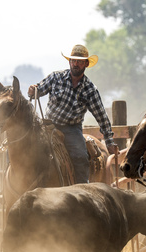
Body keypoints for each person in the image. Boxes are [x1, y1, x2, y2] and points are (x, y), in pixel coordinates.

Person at [28, 44, 119, 184]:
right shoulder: (55, 77)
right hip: (48, 125)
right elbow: (38, 90)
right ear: (69, 62)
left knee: (80, 157)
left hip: (71, 129)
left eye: (79, 61)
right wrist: (33, 90)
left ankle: (81, 190)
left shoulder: (90, 89)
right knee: (24, 146)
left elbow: (101, 116)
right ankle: (12, 187)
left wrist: (109, 141)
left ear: (86, 64)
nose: (75, 64)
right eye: (73, 61)